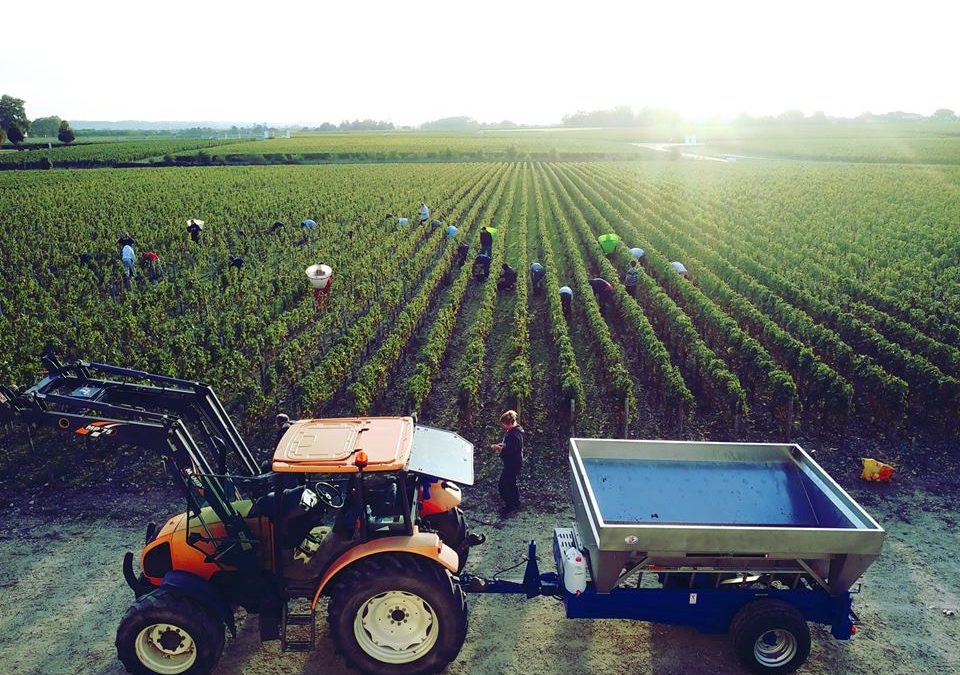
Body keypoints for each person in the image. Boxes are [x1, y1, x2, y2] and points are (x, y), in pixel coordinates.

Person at [490, 410, 524, 517]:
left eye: (504, 424)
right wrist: (502, 445)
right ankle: (516, 503)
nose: (503, 426)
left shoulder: (514, 435)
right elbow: (510, 446)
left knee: (503, 485)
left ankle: (510, 506)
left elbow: (510, 450)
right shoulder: (515, 432)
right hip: (515, 462)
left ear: (509, 423)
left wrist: (498, 448)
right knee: (511, 483)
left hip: (512, 463)